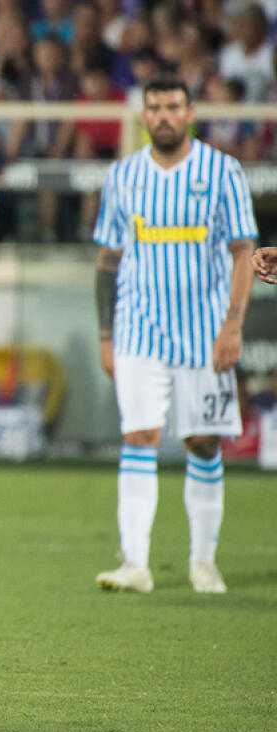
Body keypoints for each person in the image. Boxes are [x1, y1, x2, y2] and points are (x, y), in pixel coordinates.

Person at [92, 75, 257, 595]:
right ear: (143, 115)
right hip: (139, 329)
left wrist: (233, 325)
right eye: (154, 107)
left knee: (202, 443)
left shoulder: (222, 171)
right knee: (138, 436)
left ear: (190, 113)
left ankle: (202, 561)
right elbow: (107, 259)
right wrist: (105, 334)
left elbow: (243, 252)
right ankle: (135, 564)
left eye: (173, 107)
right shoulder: (123, 176)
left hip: (205, 334)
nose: (163, 115)